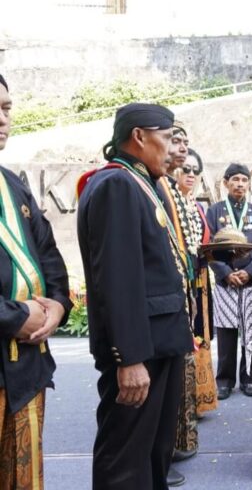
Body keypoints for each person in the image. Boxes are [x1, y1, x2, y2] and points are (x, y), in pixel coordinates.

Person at [77, 103, 194, 489]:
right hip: (142, 351)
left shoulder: (141, 183)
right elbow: (118, 278)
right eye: (167, 138)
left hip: (159, 344)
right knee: (126, 461)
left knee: (153, 454)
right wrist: (129, 358)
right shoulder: (117, 184)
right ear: (139, 137)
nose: (173, 150)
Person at [0, 73, 72, 490]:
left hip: (26, 368)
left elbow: (49, 255)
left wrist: (58, 305)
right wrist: (13, 316)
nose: (2, 118)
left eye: (6, 108)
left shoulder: (13, 185)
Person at [157, 122, 198, 483]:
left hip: (180, 293)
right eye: (174, 140)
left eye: (185, 141)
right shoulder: (153, 185)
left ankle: (172, 446)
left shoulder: (172, 187)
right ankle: (159, 457)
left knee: (177, 376)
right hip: (161, 303)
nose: (182, 147)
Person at [206, 164, 252, 400]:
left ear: (249, 184)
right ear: (226, 183)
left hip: (250, 282)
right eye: (235, 179)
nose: (240, 184)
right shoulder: (214, 211)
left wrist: (250, 272)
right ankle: (224, 381)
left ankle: (249, 379)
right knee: (226, 332)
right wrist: (225, 273)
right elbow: (208, 247)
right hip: (225, 282)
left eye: (244, 180)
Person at [173, 148, 218, 418]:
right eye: (186, 169)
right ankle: (183, 402)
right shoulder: (170, 203)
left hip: (200, 281)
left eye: (195, 171)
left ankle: (200, 399)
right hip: (180, 282)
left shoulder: (198, 207)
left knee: (201, 334)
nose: (191, 174)